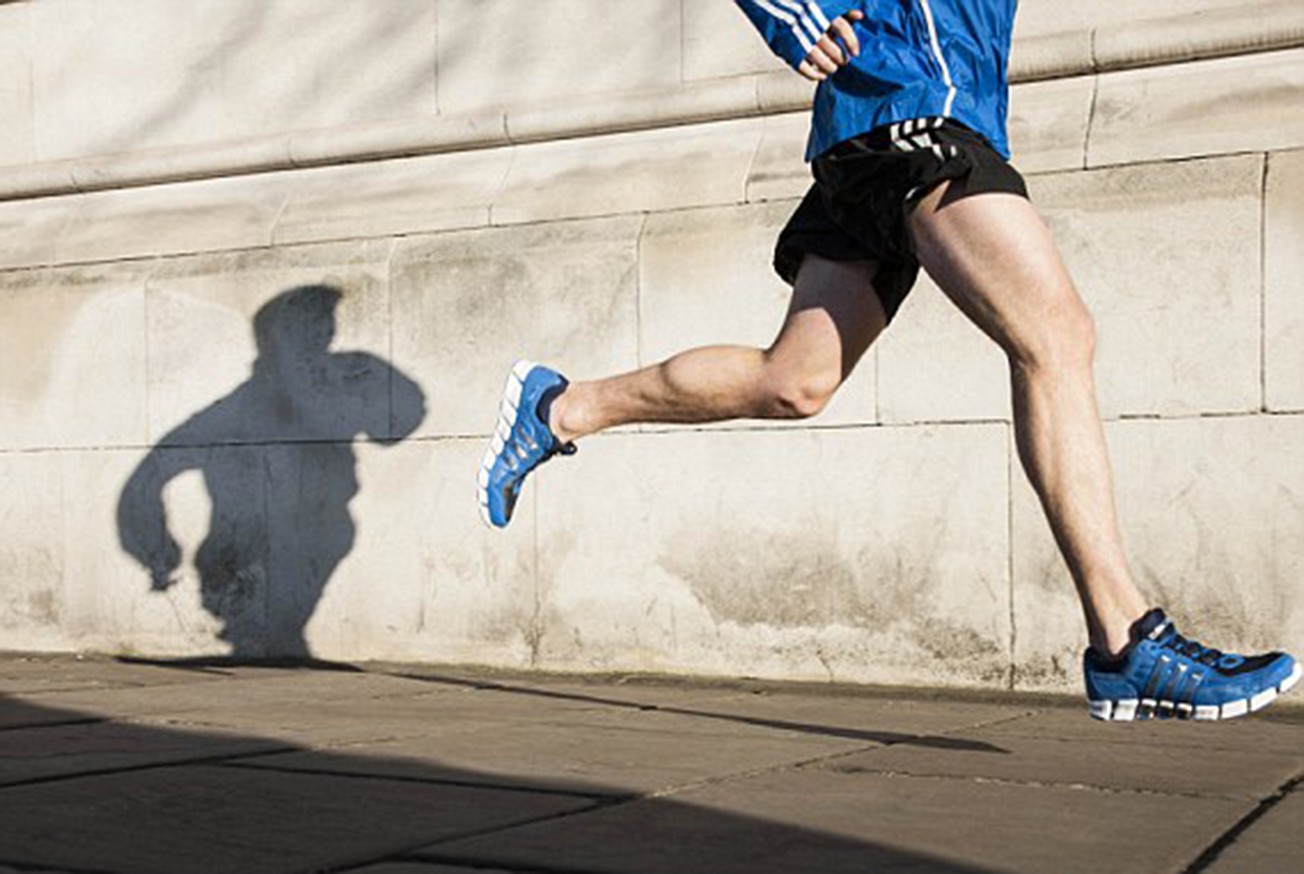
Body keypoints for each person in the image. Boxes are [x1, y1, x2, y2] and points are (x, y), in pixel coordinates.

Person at [476, 0, 1299, 721]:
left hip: (912, 113)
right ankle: (1126, 642)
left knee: (793, 380)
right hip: (909, 103)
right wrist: (790, 10)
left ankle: (561, 407)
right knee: (1058, 338)